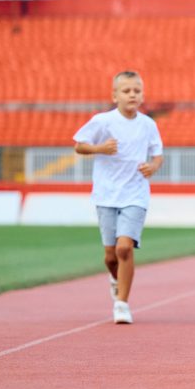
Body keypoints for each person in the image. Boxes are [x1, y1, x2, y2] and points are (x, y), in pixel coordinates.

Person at [73, 70, 164, 324]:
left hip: (135, 193)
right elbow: (79, 144)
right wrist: (100, 148)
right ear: (115, 96)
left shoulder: (148, 124)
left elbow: (158, 155)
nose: (132, 95)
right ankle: (115, 278)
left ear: (142, 95)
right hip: (106, 195)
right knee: (110, 256)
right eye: (126, 91)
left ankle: (122, 304)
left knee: (125, 247)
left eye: (136, 90)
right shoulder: (103, 121)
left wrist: (153, 167)